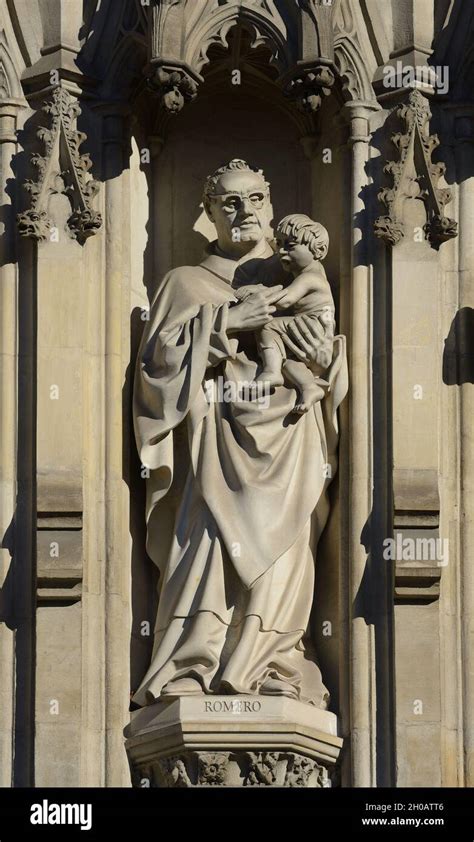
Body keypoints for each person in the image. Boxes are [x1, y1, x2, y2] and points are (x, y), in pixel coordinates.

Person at [132, 159, 347, 707]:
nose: (243, 211)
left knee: (289, 541)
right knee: (208, 545)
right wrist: (227, 323)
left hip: (291, 441)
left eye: (254, 199)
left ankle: (270, 661)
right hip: (213, 450)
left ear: (270, 205)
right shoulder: (184, 282)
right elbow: (156, 371)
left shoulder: (291, 280)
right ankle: (193, 664)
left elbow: (327, 358)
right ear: (209, 213)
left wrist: (324, 359)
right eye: (229, 202)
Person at [237, 213, 335, 413]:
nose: (281, 251)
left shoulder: (310, 277)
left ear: (319, 250)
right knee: (289, 363)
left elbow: (287, 300)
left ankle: (271, 371)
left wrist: (259, 292)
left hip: (312, 325)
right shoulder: (306, 275)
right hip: (308, 328)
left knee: (266, 324)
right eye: (279, 244)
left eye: (290, 246)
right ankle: (309, 386)